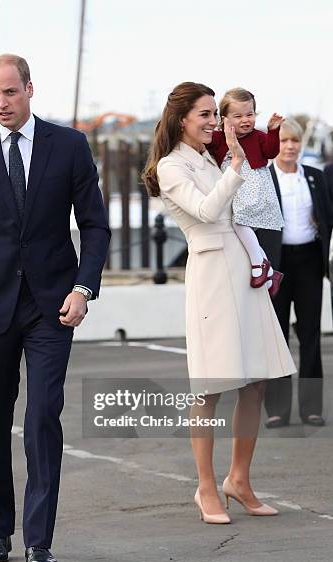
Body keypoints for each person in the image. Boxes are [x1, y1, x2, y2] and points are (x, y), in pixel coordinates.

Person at [0, 54, 110, 562]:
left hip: (53, 306)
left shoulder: (70, 146)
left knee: (41, 417)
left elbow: (96, 227)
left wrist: (84, 289)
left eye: (9, 93)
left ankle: (38, 538)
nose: (1, 103)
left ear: (30, 90)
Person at [142, 82, 296, 524]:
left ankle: (239, 480)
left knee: (256, 381)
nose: (215, 122)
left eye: (216, 114)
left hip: (243, 270)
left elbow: (241, 205)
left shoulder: (213, 156)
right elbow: (208, 212)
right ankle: (206, 488)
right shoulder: (172, 166)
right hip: (211, 276)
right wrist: (237, 163)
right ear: (182, 119)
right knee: (209, 387)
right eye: (206, 115)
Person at [255, 119, 333, 427]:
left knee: (311, 333)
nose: (290, 146)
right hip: (277, 265)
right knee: (277, 335)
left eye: (295, 141)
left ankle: (311, 408)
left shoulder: (314, 176)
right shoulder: (264, 178)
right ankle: (277, 409)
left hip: (310, 261)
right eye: (284, 141)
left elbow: (328, 215)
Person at [207, 87, 284, 295]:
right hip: (233, 188)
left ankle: (259, 265)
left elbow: (271, 151)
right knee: (238, 225)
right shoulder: (218, 137)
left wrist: (273, 131)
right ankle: (269, 271)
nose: (245, 120)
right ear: (224, 118)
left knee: (239, 222)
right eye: (238, 115)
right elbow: (202, 143)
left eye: (249, 114)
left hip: (253, 185)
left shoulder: (258, 136)